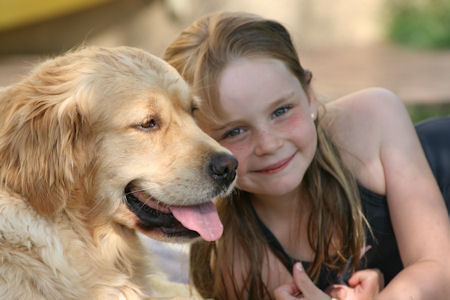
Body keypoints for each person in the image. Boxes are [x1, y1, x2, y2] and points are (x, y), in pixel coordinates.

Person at [163, 11, 450, 300]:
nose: (269, 144)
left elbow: (439, 271)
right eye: (235, 131)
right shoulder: (239, 260)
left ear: (309, 96)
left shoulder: (372, 120)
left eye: (281, 111)